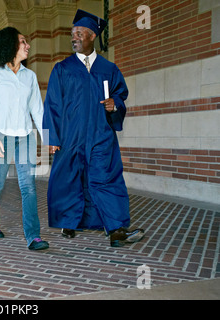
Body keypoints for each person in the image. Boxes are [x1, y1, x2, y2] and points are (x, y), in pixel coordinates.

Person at [43, 10, 145, 247]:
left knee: (106, 178)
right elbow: (51, 106)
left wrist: (115, 105)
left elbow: (121, 95)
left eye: (79, 33)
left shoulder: (108, 68)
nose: (74, 37)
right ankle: (70, 222)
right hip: (69, 137)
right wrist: (51, 137)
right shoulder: (62, 68)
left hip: (100, 135)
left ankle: (117, 230)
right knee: (70, 179)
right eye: (73, 33)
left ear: (92, 36)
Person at [0, 27, 49, 251]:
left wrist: (47, 137)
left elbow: (37, 110)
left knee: (28, 186)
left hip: (25, 136)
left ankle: (33, 236)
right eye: (22, 42)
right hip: (0, 135)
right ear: (9, 45)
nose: (27, 46)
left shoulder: (30, 76)